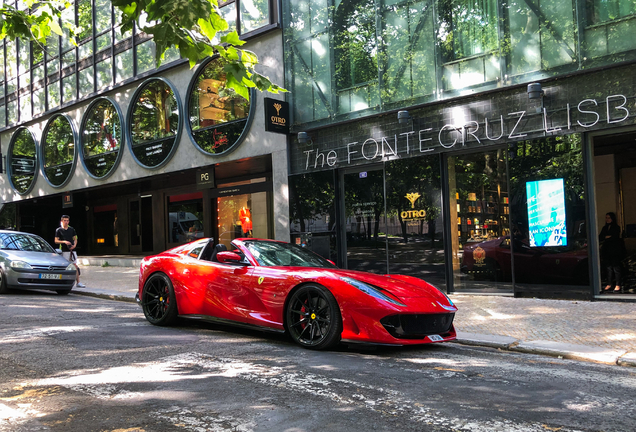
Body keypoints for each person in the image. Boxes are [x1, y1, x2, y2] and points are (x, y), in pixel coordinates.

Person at [55, 215, 85, 288]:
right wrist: (64, 242)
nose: (66, 222)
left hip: (72, 250)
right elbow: (56, 241)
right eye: (64, 220)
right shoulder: (59, 230)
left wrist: (74, 245)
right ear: (61, 221)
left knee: (75, 265)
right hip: (64, 250)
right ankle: (62, 281)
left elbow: (75, 238)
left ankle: (78, 282)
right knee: (64, 266)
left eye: (67, 220)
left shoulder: (71, 229)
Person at [599, 212, 623, 293]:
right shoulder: (604, 228)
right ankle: (609, 283)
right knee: (608, 267)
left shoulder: (616, 227)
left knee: (616, 267)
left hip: (614, 250)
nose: (607, 219)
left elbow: (614, 237)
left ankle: (618, 284)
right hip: (606, 250)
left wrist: (607, 237)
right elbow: (601, 237)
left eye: (609, 218)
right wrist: (607, 237)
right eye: (606, 218)